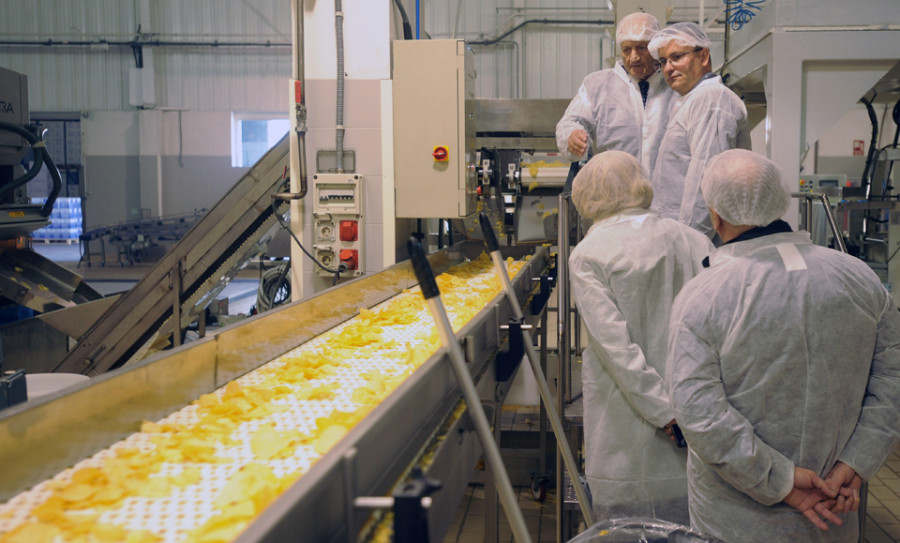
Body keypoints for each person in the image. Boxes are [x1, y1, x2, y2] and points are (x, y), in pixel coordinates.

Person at [665, 149, 900, 542]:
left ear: (715, 215)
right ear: (779, 201)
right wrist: (854, 465)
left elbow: (700, 413)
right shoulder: (859, 278)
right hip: (835, 505)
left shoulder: (704, 295)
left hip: (738, 521)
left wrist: (782, 480)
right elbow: (892, 381)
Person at [568, 150, 714, 524]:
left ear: (587, 196)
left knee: (628, 528)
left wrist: (665, 414)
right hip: (699, 418)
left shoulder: (588, 255)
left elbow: (616, 349)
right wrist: (685, 412)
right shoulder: (694, 241)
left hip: (630, 430)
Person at [647, 22, 750, 239]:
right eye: (663, 61)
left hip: (697, 242)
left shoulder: (712, 99)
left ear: (703, 56)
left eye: (676, 57)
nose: (667, 68)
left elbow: (705, 183)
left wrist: (689, 245)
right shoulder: (690, 100)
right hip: (678, 234)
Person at [555, 12, 675, 178]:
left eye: (641, 47)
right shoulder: (597, 85)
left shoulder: (674, 84)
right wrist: (572, 136)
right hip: (616, 192)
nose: (634, 57)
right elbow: (571, 122)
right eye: (627, 49)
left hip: (665, 196)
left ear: (656, 48)